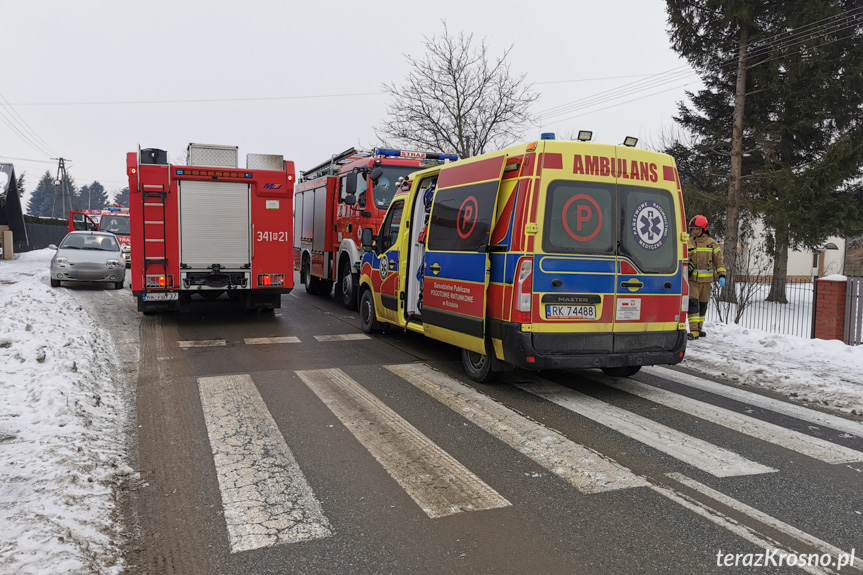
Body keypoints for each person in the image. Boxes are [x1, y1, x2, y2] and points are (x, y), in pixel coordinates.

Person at [687, 215, 726, 340]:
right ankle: (693, 330)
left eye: (696, 229)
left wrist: (722, 275)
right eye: (692, 229)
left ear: (704, 229)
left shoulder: (712, 243)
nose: (694, 231)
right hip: (692, 280)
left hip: (706, 282)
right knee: (693, 305)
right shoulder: (688, 242)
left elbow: (719, 261)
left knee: (703, 305)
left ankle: (699, 328)